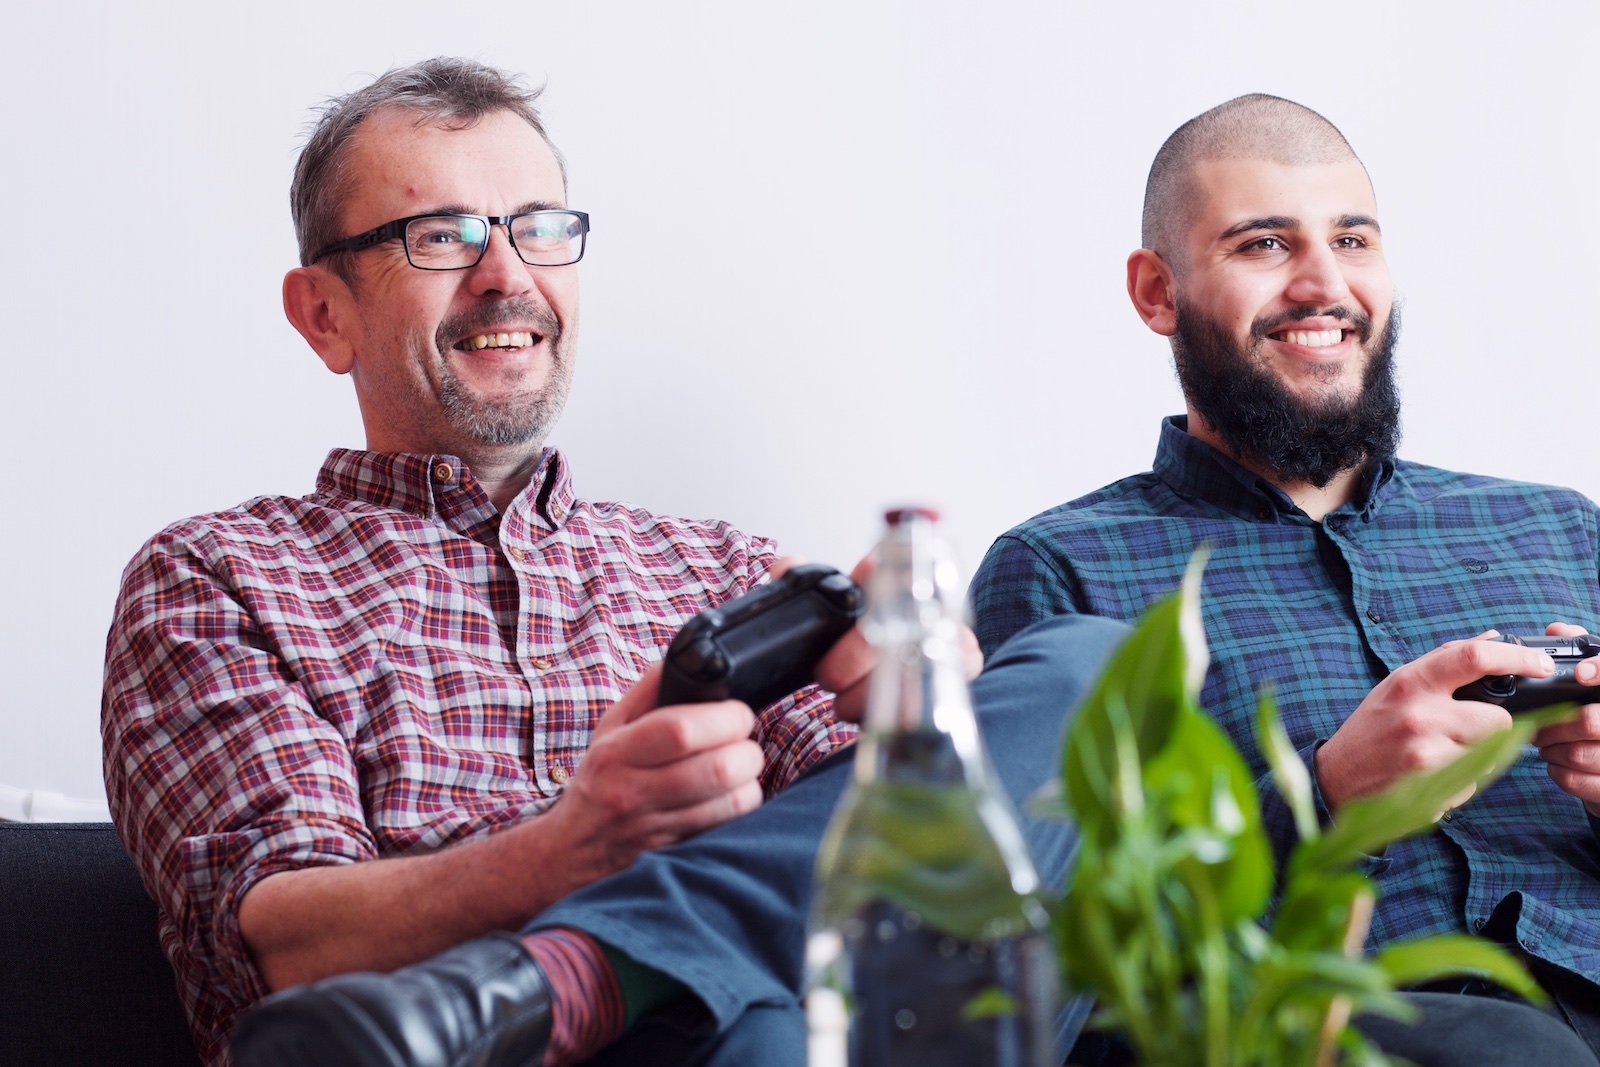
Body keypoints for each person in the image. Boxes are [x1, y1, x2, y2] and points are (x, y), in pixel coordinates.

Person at [100, 57, 1129, 1067]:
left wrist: (920, 703)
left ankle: (569, 977)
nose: (507, 275)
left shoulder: (721, 564)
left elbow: (902, 866)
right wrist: (570, 845)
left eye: (539, 228)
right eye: (441, 236)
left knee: (1091, 678)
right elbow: (284, 943)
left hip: (765, 1028)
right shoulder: (217, 576)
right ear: (325, 312)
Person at [970, 93, 1600, 1061]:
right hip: (1336, 1025)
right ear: (1156, 291)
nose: (1323, 284)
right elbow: (1056, 946)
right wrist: (1327, 792)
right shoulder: (1063, 573)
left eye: (1352, 240)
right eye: (1263, 244)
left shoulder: (1553, 525)